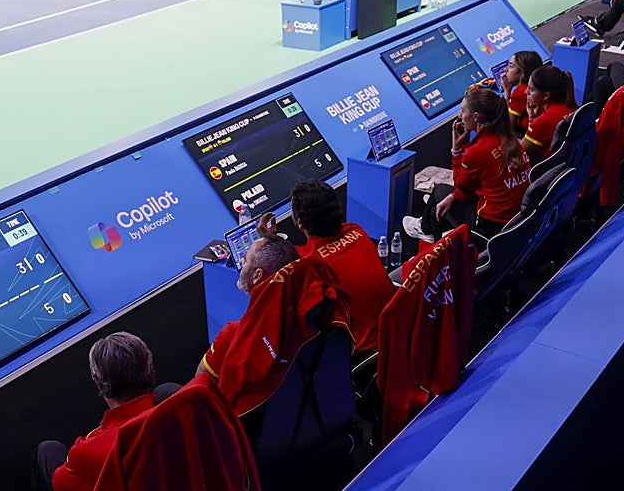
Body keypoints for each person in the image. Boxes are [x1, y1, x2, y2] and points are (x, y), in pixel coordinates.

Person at [9, 331, 160, 491]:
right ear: (149, 368)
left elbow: (62, 485)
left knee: (48, 452)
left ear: (100, 385)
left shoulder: (89, 450)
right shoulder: (181, 406)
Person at [271, 180, 394, 355]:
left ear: (299, 222)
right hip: (400, 331)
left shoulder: (307, 262)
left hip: (363, 353)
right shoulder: (356, 231)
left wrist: (270, 239)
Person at [403, 87, 530, 242]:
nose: (460, 116)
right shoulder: (513, 140)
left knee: (440, 191)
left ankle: (427, 230)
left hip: (490, 227)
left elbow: (461, 188)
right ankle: (428, 221)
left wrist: (456, 151)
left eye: (463, 111)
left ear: (476, 116)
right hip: (518, 219)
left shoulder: (477, 152)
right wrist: (453, 196)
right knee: (447, 198)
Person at [198, 235, 300, 376]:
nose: (242, 262)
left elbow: (200, 384)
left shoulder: (232, 335)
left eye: (245, 259)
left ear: (257, 276)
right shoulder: (311, 313)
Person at [522, 65, 577, 163]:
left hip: (548, 167)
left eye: (531, 89)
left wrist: (531, 120)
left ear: (546, 96)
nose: (526, 92)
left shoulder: (543, 121)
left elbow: (521, 150)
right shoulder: (571, 105)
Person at [503, 50, 543, 137]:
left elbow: (508, 125)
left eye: (511, 66)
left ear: (522, 72)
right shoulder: (540, 84)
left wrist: (507, 95)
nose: (506, 69)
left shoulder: (521, 92)